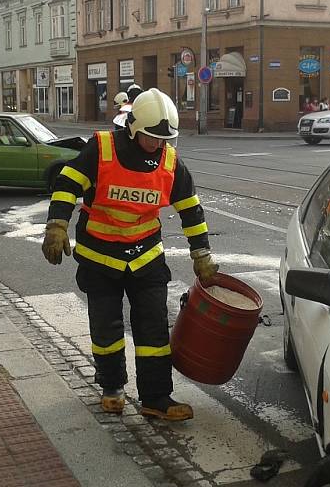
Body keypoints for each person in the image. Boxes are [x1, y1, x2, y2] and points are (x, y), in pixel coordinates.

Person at [42, 88, 218, 422]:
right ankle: (112, 389)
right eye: (152, 137)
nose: (158, 144)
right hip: (100, 257)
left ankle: (156, 397)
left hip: (145, 256)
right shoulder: (102, 148)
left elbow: (191, 209)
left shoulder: (170, 161)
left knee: (153, 330)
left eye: (164, 139)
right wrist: (57, 225)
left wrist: (202, 255)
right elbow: (67, 184)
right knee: (106, 329)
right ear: (134, 128)